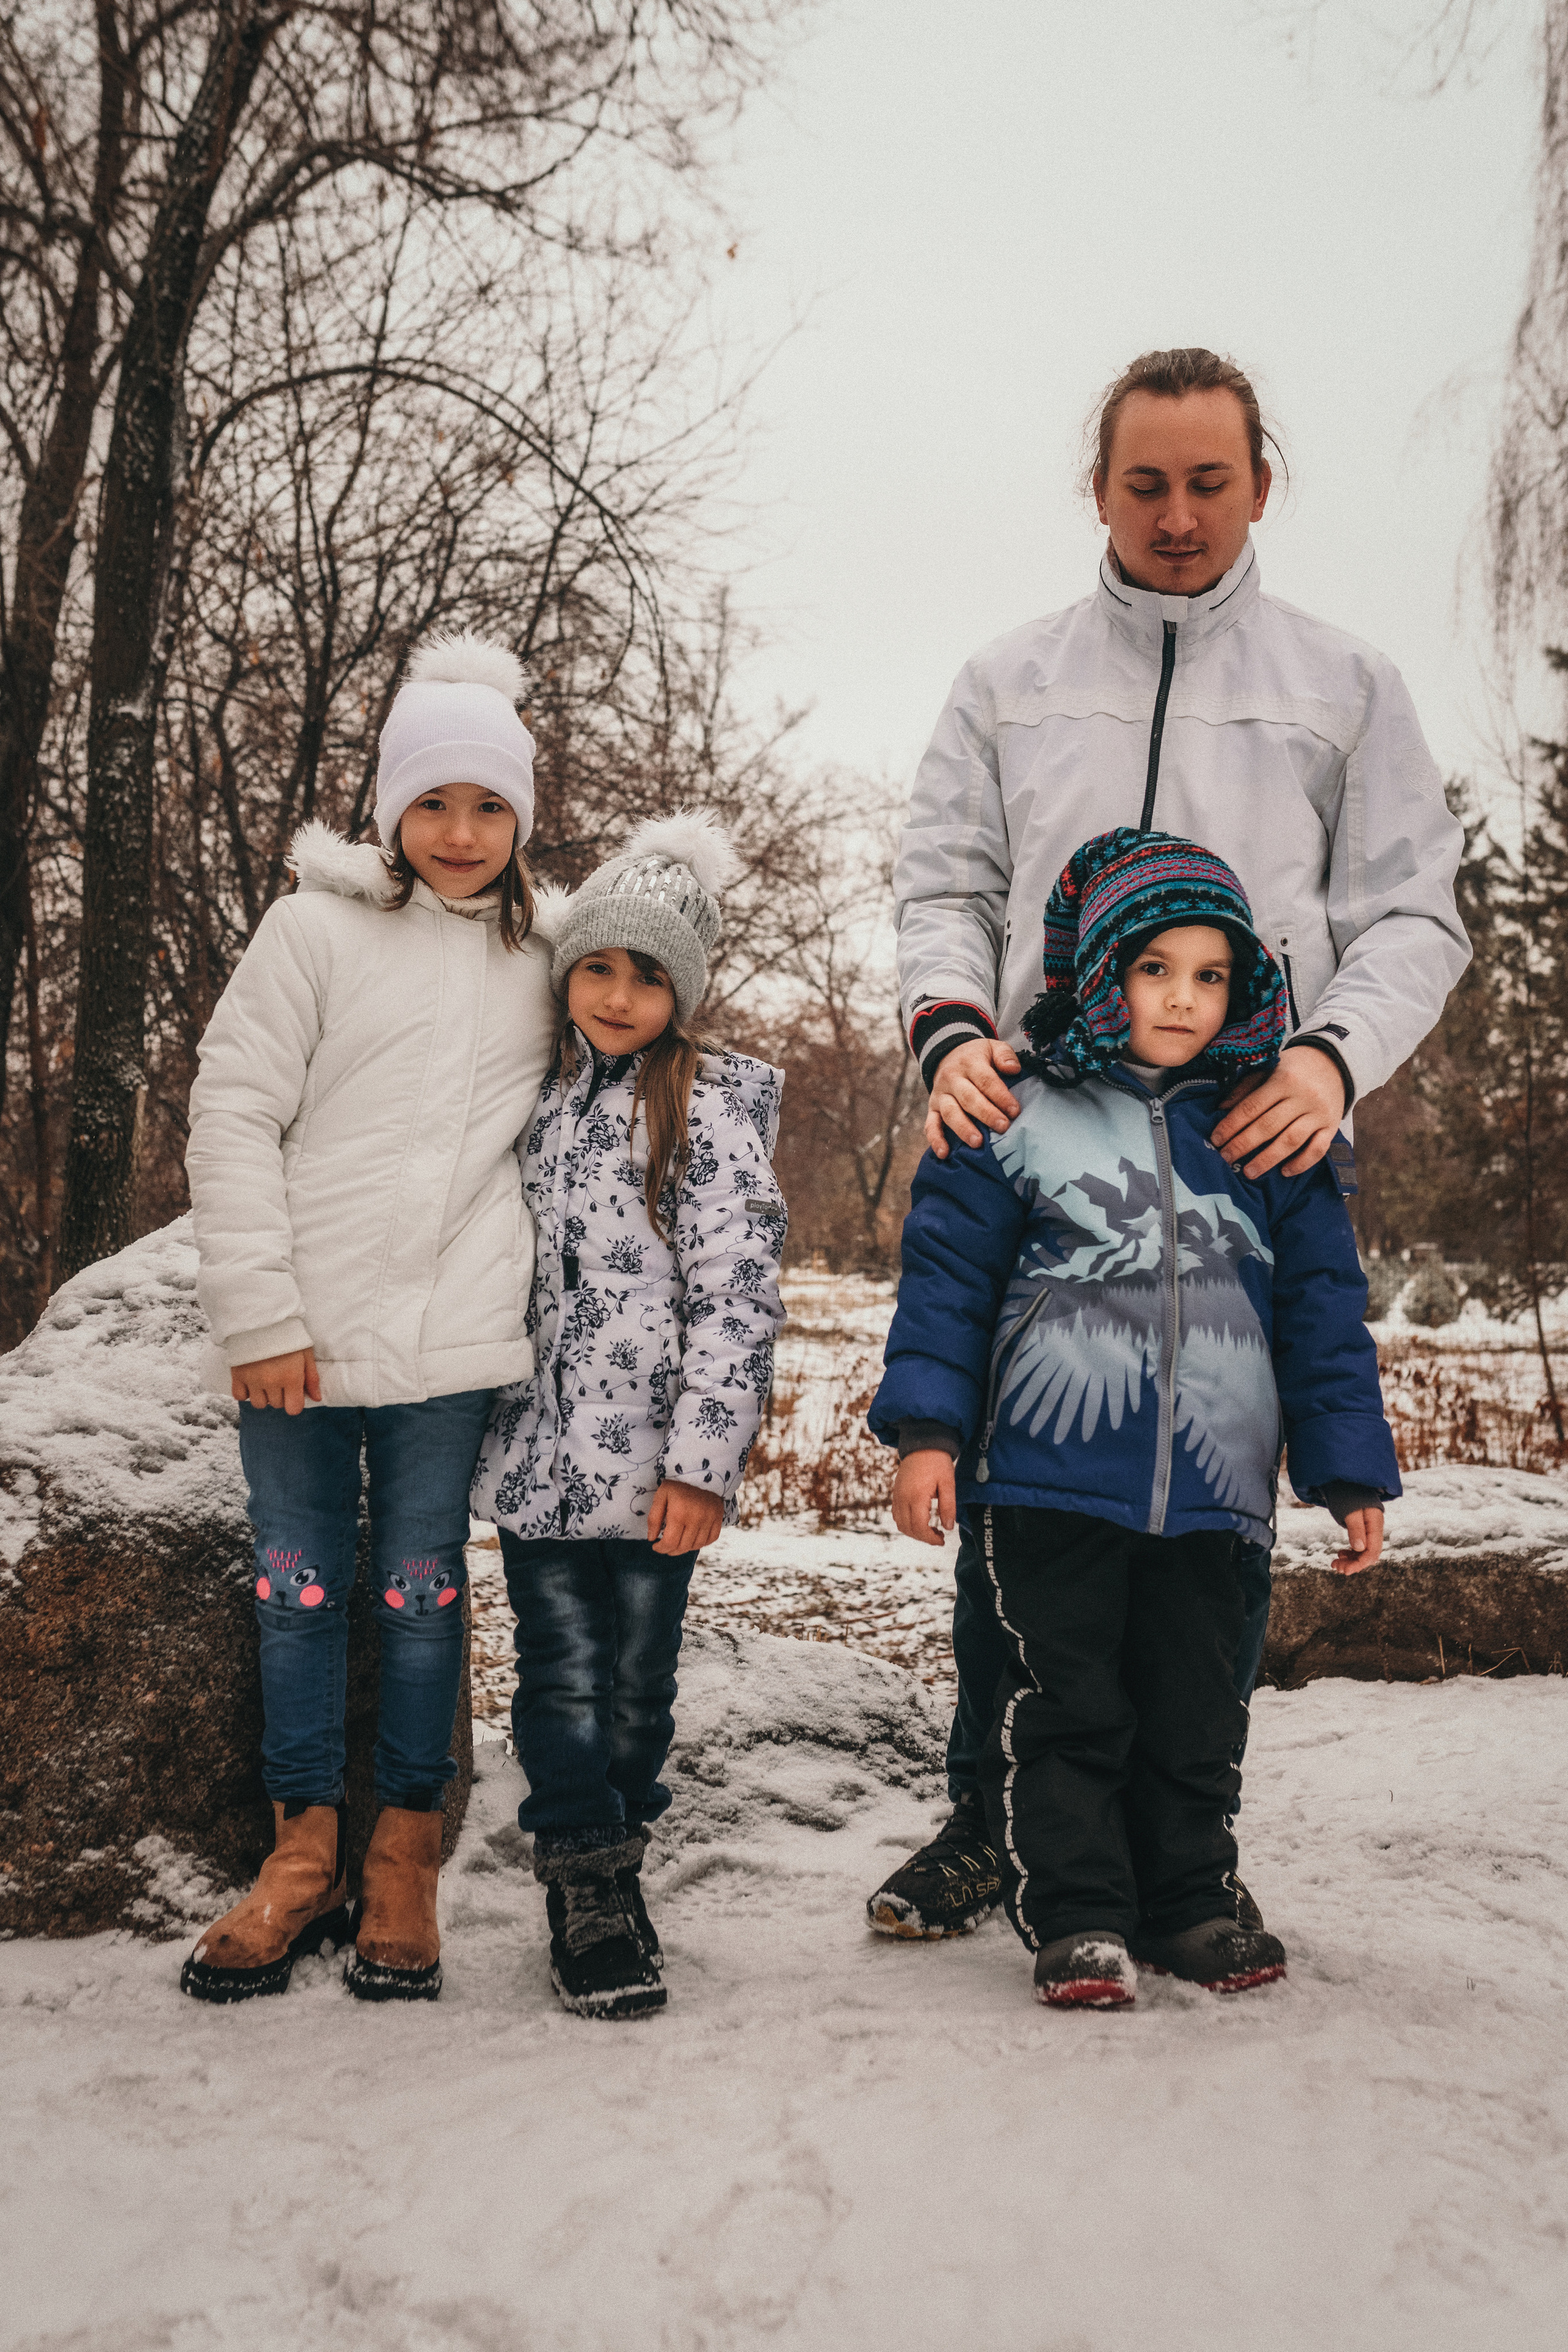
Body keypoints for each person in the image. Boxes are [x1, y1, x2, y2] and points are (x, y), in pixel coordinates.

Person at [870, 345, 1467, 1939]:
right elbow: (939, 879)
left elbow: (1416, 907)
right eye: (1148, 483)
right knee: (1023, 1497)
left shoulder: (1345, 686)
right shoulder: (1012, 679)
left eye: (1210, 482)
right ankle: (991, 1829)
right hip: (1035, 1131)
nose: (1180, 514)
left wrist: (1336, 1059)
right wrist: (948, 1029)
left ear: (1261, 483)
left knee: (1194, 1527)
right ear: (1101, 489)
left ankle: (1176, 1854)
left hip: (1250, 1138)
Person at [870, 827, 1400, 2006]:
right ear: (1099, 975)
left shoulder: (1269, 1129)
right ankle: (1082, 1913)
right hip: (1049, 1480)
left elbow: (1321, 1310)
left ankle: (1193, 1900)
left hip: (1216, 1488)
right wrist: (927, 1435)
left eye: (1211, 975)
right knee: (1069, 1704)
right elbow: (947, 1283)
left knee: (1196, 1706)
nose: (1183, 999)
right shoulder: (1012, 1107)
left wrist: (1348, 1469)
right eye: (1156, 969)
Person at [180, 631, 554, 2005]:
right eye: (434, 803)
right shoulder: (313, 930)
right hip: (302, 1342)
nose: (460, 834)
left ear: (524, 816)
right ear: (389, 806)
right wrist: (259, 1312)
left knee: (417, 1599)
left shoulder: (547, 960)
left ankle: (403, 1857)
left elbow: (650, 1024)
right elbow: (232, 1114)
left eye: (489, 806)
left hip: (449, 1349)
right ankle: (301, 1856)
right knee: (296, 1596)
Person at [471, 816, 788, 2020]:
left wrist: (704, 1464)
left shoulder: (702, 1109)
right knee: (557, 1675)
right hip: (537, 1463)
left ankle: (618, 1856)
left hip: (655, 1467)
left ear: (682, 995)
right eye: (596, 967)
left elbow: (738, 1294)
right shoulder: (528, 1097)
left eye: (646, 976)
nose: (614, 994)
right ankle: (582, 1884)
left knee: (638, 1687)